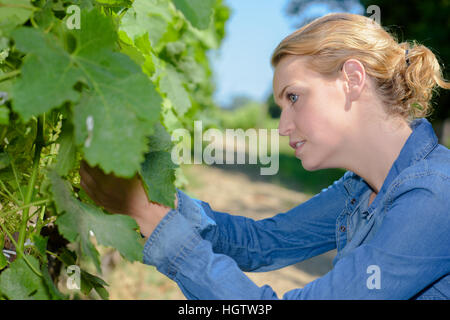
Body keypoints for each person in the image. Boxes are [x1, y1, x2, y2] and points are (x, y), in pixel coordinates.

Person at [79, 13, 450, 299]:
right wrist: (163, 203)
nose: (283, 126)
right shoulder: (361, 186)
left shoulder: (434, 196)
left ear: (352, 80)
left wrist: (152, 220)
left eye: (293, 97)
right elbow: (263, 243)